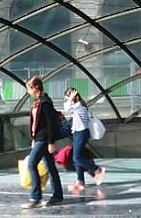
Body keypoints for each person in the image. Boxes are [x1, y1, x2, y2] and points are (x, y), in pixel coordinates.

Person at [21, 76, 64, 209]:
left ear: (36, 88)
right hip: (39, 139)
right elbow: (36, 123)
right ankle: (57, 195)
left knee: (32, 164)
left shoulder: (45, 102)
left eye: (29, 88)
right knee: (50, 166)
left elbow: (50, 124)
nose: (28, 92)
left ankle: (36, 197)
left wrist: (51, 142)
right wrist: (33, 138)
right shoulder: (39, 102)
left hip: (44, 139)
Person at [62, 87, 105, 192]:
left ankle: (97, 169)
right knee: (76, 158)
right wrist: (70, 99)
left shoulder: (80, 105)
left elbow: (66, 109)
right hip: (77, 133)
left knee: (77, 158)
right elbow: (66, 109)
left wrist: (71, 98)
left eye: (68, 97)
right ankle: (80, 181)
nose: (67, 100)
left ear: (74, 96)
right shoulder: (76, 105)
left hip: (81, 133)